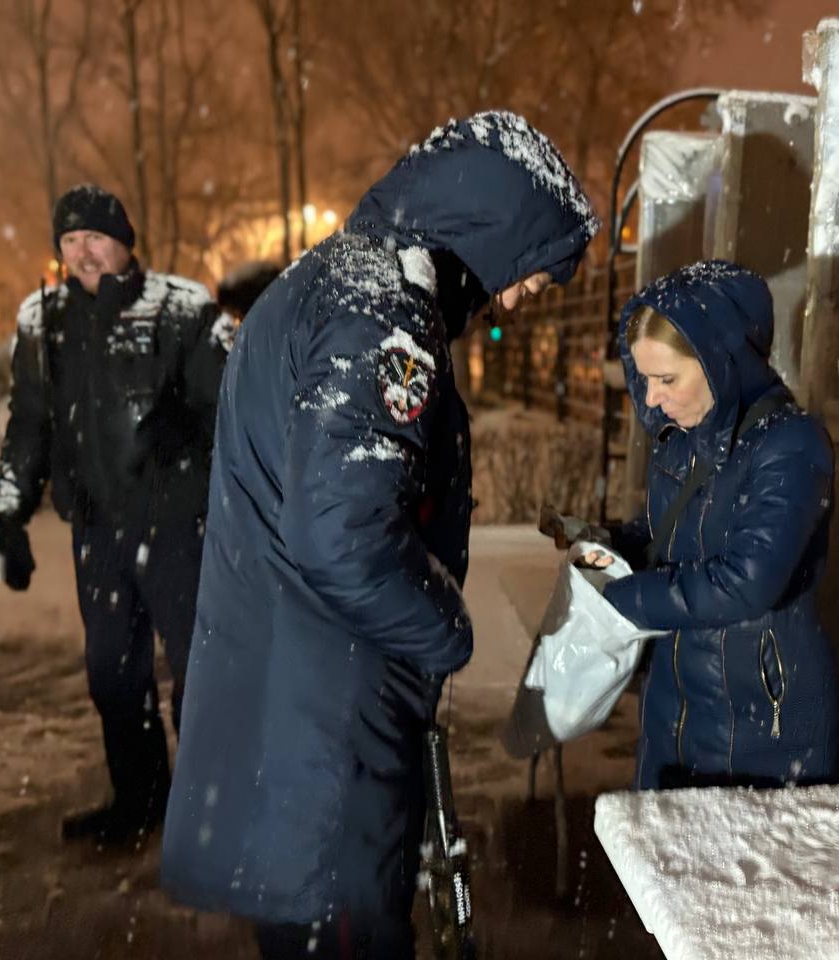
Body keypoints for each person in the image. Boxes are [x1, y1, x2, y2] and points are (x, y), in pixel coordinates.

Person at [160, 111, 598, 959]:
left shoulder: (334, 283)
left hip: (294, 716)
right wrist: (445, 632)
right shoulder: (381, 314)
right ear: (494, 228)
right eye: (531, 276)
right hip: (328, 739)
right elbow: (340, 534)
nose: (516, 297)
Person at [0, 184, 228, 845]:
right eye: (69, 242)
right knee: (113, 674)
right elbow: (28, 422)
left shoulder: (182, 309)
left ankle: (215, 806)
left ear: (126, 239)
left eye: (95, 237)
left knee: (199, 672)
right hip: (98, 530)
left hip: (180, 525)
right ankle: (142, 799)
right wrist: (9, 514)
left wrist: (191, 430)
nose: (83, 253)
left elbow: (237, 408)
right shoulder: (43, 323)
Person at [596, 260, 839, 791]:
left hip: (759, 724)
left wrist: (627, 599)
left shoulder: (791, 445)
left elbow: (746, 582)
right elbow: (678, 533)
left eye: (667, 378)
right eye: (644, 379)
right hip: (675, 708)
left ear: (719, 361)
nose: (653, 397)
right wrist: (614, 545)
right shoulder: (684, 436)